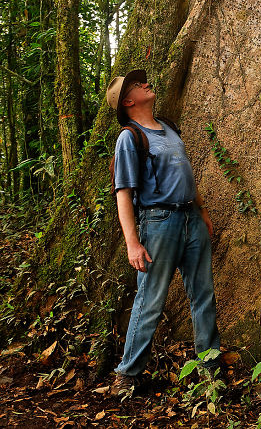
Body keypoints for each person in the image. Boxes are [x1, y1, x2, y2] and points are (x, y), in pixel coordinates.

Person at [105, 69, 220, 395]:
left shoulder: (168, 128)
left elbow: (185, 172)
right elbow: (123, 193)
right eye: (136, 85)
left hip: (191, 220)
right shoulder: (130, 138)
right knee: (151, 299)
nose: (145, 83)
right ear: (129, 101)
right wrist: (132, 243)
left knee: (203, 296)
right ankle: (127, 375)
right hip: (159, 224)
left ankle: (209, 371)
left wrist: (202, 209)